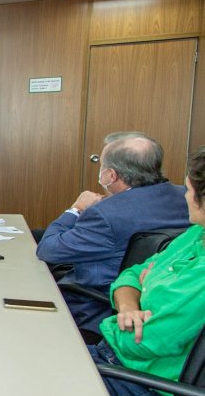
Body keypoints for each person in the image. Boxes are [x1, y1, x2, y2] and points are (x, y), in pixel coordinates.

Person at [89, 146, 205, 396]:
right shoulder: (196, 235)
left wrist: (114, 320)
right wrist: (129, 306)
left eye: (188, 190)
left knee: (25, 377)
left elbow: (143, 343)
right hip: (119, 359)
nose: (184, 197)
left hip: (145, 385)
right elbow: (131, 274)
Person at [36, 132, 188, 334]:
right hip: (159, 303)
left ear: (111, 175)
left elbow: (48, 250)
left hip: (96, 309)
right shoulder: (188, 198)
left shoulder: (105, 214)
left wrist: (76, 209)